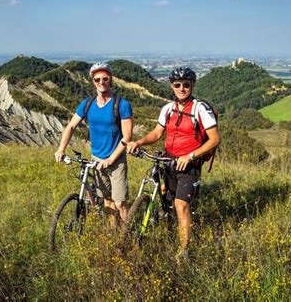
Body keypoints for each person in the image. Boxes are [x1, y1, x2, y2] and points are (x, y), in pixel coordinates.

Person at [126, 67, 220, 260]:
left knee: (181, 205)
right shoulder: (168, 109)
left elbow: (214, 139)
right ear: (171, 86)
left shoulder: (200, 108)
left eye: (186, 84)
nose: (182, 88)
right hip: (169, 160)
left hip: (190, 164)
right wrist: (138, 142)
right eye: (177, 85)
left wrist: (191, 156)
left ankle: (183, 252)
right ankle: (169, 228)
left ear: (192, 85)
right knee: (169, 204)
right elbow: (157, 133)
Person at [55, 62, 133, 225]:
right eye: (97, 80)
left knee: (119, 203)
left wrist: (111, 159)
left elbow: (127, 137)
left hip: (116, 161)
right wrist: (61, 149)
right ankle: (113, 234)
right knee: (107, 200)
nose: (101, 82)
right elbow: (70, 126)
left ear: (110, 80)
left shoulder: (122, 105)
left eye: (105, 79)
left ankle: (129, 233)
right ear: (93, 82)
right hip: (96, 159)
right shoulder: (88, 104)